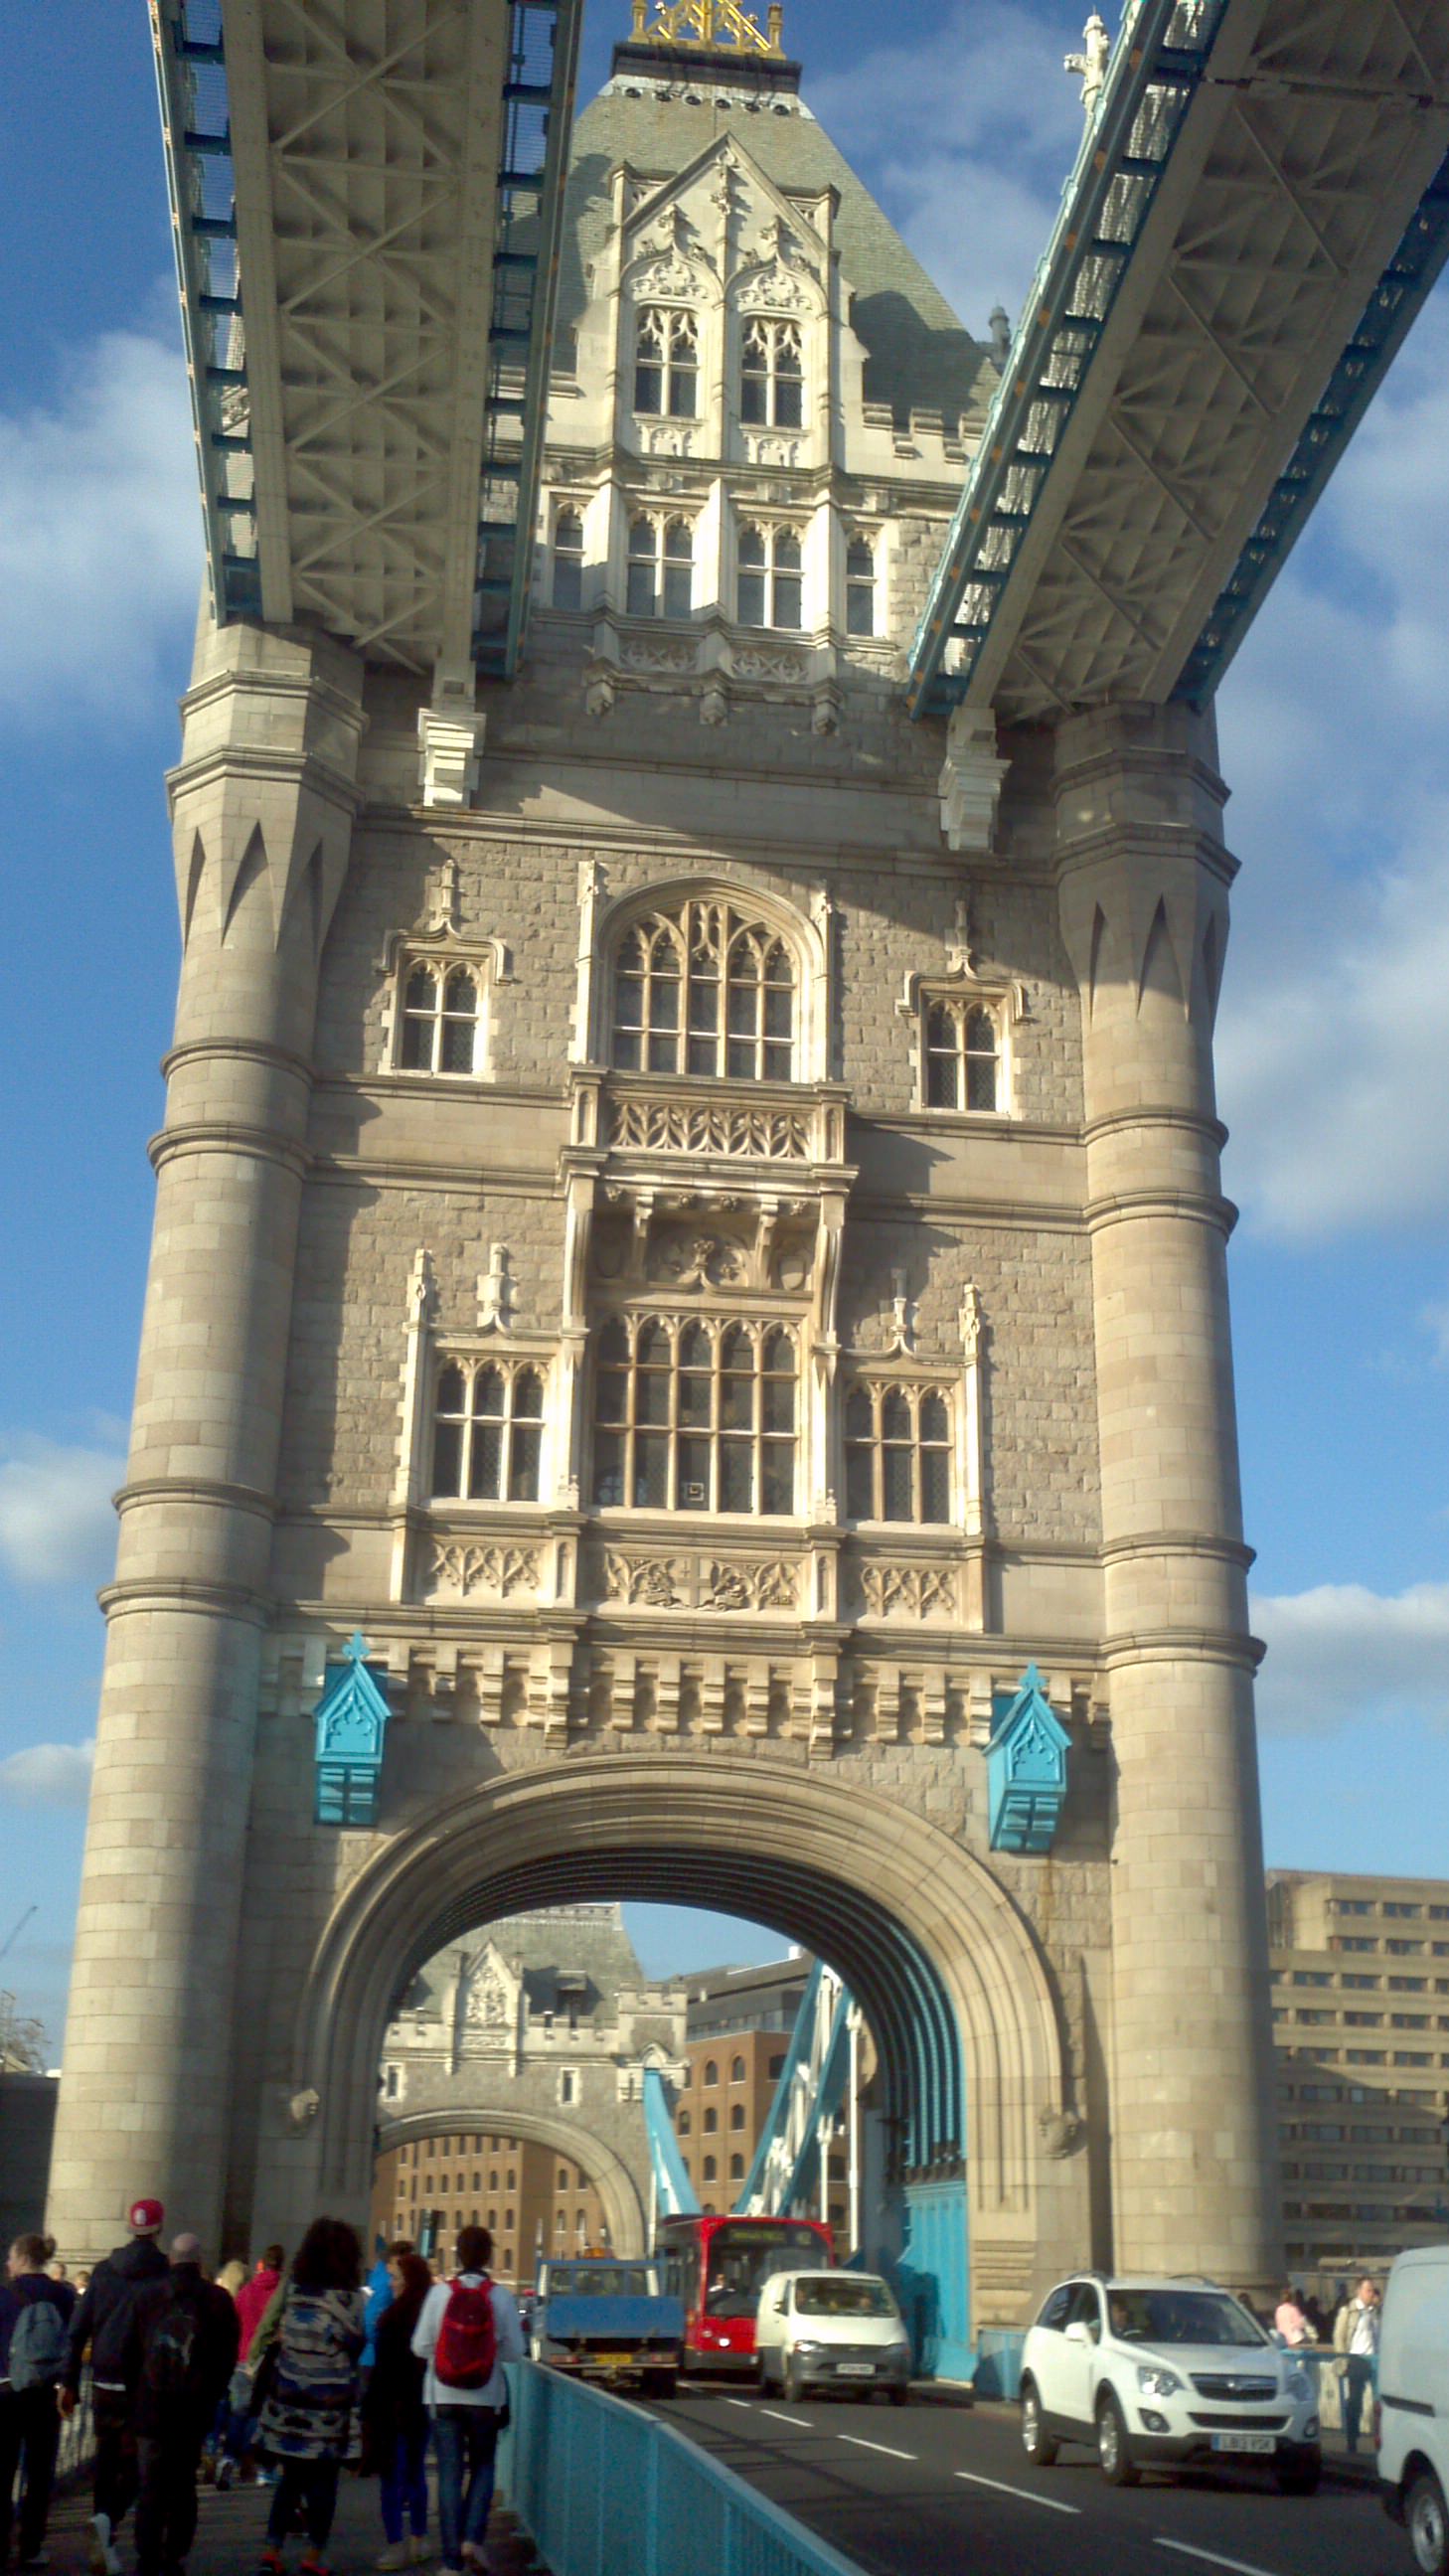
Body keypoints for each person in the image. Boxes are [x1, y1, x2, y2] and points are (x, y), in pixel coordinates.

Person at [61, 2197, 171, 2576]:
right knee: (142, 2469)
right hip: (144, 2386)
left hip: (104, 2383)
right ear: (158, 2229)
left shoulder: (104, 2271)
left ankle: (103, 2537)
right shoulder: (165, 2276)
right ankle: (111, 2522)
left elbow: (77, 2331)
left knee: (106, 2466)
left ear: (130, 2227)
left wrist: (69, 2382)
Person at [252, 2218, 367, 2576]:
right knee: (323, 2484)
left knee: (290, 2480)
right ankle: (312, 2557)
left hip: (290, 2401)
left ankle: (272, 2551)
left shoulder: (293, 2289)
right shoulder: (350, 2300)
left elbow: (270, 2327)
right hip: (329, 2407)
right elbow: (356, 2345)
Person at [123, 2233, 241, 2576]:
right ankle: (174, 2552)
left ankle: (147, 2553)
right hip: (194, 2408)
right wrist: (212, 2395)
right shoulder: (217, 2300)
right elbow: (227, 2356)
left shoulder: (146, 2297)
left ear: (171, 2260)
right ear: (200, 2262)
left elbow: (129, 2352)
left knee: (150, 2483)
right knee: (183, 2482)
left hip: (151, 2406)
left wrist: (136, 2397)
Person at [412, 2225, 523, 2576]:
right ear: (488, 2255)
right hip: (485, 2397)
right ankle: (472, 2541)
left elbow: (419, 2346)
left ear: (457, 2254)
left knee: (448, 2474)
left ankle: (450, 2562)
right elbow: (515, 2353)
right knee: (483, 2467)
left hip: (442, 2396)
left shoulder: (440, 2294)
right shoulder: (501, 2297)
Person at [1, 2231, 77, 2570]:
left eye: (10, 2257)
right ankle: (31, 2546)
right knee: (39, 2472)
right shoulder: (63, 2294)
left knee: (3, 2471)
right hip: (46, 2394)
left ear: (21, 2258)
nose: (7, 2263)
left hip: (6, 2392)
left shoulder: (5, 2295)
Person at [362, 2250, 432, 2570]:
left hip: (393, 2409)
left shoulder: (391, 2320)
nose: (390, 2284)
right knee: (416, 2473)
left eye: (394, 2278)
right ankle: (419, 2538)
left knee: (391, 2478)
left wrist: (369, 2411)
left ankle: (395, 2544)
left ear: (407, 2282)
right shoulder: (429, 2316)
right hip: (423, 2406)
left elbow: (383, 2373)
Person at [1334, 2275, 1381, 2452]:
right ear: (1359, 2291)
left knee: (1379, 2403)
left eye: (1372, 2290)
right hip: (1356, 2360)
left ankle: (1379, 2440)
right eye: (1368, 2290)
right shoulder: (1348, 2311)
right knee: (1355, 2402)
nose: (1371, 2294)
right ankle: (1351, 2440)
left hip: (1374, 2360)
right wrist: (1343, 2359)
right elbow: (1339, 2336)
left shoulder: (1374, 2311)